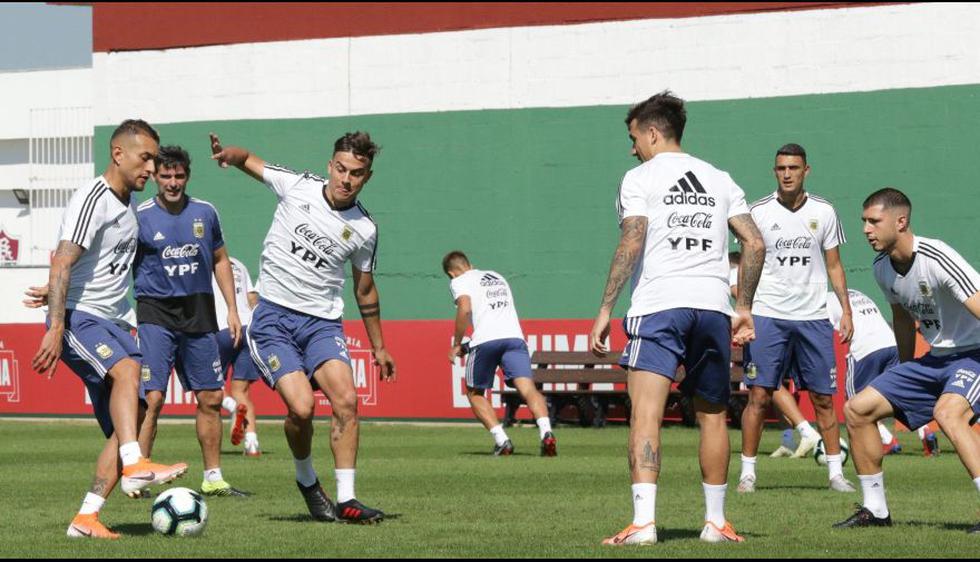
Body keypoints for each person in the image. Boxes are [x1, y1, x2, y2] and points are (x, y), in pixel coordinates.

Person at [590, 91, 765, 545]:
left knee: (645, 414)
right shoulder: (720, 178)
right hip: (711, 307)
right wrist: (742, 306)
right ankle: (717, 523)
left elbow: (632, 242)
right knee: (712, 415)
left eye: (633, 137)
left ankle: (644, 524)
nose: (632, 148)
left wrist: (606, 309)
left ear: (651, 132)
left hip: (659, 305)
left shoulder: (639, 177)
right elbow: (756, 243)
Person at [209, 130, 396, 524]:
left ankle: (346, 498)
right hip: (274, 318)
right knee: (302, 408)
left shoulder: (365, 229)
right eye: (341, 169)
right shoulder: (298, 186)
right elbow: (249, 160)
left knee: (347, 401)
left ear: (368, 177)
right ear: (330, 165)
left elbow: (365, 290)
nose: (346, 179)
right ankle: (308, 481)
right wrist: (229, 153)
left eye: (356, 173)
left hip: (322, 324)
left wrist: (378, 346)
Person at [29, 120, 187, 539]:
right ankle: (136, 464)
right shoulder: (92, 198)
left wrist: (51, 290)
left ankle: (87, 518)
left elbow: (87, 264)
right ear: (119, 154)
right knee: (129, 372)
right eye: (146, 158)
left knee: (132, 416)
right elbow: (62, 259)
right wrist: (55, 324)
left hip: (114, 319)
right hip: (82, 318)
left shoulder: (127, 204)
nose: (152, 168)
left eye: (154, 159)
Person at [835, 188, 980, 532]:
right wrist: (903, 369)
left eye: (874, 221)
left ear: (900, 222)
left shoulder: (937, 256)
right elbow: (901, 318)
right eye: (863, 222)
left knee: (948, 413)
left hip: (975, 353)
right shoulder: (882, 268)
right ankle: (876, 511)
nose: (866, 229)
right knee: (857, 410)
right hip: (934, 360)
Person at [737, 143, 856, 494]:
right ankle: (748, 474)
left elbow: (833, 264)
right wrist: (743, 311)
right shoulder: (757, 212)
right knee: (759, 396)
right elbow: (747, 262)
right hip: (768, 315)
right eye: (780, 168)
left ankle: (835, 473)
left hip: (814, 318)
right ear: (775, 171)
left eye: (793, 168)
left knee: (823, 398)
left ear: (807, 171)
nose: (786, 173)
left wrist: (845, 310)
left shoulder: (825, 211)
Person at [133, 145, 249, 497]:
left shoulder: (205, 213)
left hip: (199, 312)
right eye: (165, 175)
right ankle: (139, 473)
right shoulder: (139, 216)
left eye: (178, 175)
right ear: (154, 176)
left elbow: (220, 260)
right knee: (152, 398)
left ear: (188, 175)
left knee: (212, 397)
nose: (172, 182)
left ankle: (213, 478)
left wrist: (232, 308)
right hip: (155, 311)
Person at [442, 251, 557, 456]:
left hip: (485, 342)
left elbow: (465, 309)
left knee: (474, 393)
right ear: (470, 263)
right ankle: (546, 432)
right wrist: (468, 347)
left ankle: (502, 440)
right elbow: (495, 319)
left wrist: (457, 343)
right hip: (514, 338)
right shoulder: (496, 277)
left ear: (451, 273)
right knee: (528, 389)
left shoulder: (459, 281)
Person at [730, 251, 822, 458]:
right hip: (778, 325)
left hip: (763, 330)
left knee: (768, 384)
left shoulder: (737, 272)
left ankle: (807, 432)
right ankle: (788, 441)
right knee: (769, 387)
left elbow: (742, 298)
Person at [827, 288, 902, 455]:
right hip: (891, 344)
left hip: (865, 351)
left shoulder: (826, 300)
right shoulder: (858, 293)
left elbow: (822, 332)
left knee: (854, 404)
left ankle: (879, 443)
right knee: (897, 397)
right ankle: (924, 431)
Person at [213, 255, 263, 457]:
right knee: (241, 391)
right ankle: (252, 444)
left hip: (222, 327)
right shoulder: (239, 263)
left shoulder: (205, 262)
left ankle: (232, 407)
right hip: (248, 328)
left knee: (209, 387)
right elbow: (252, 298)